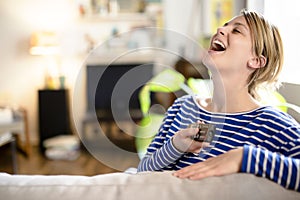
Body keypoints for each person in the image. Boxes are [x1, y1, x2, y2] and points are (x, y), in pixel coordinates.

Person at [137, 9, 300, 192]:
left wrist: (245, 158)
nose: (220, 30)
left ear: (256, 60)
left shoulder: (272, 124)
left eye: (237, 30)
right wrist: (175, 146)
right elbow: (142, 171)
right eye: (224, 26)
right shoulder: (183, 107)